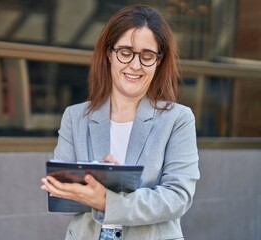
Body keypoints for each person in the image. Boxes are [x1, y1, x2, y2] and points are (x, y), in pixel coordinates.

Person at [41, 4, 200, 240]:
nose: (135, 65)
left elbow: (178, 198)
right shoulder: (75, 117)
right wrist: (86, 188)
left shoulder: (177, 119)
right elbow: (63, 198)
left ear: (158, 61)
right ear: (109, 53)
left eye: (147, 56)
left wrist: (107, 200)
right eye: (126, 52)